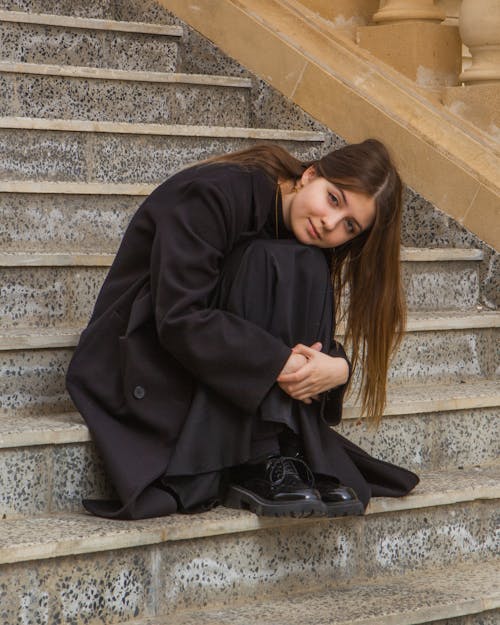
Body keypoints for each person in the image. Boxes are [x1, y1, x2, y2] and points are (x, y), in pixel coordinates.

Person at [66, 139, 419, 521]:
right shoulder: (214, 193)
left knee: (304, 261)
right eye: (334, 199)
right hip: (141, 355)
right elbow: (179, 317)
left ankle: (283, 450)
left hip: (207, 366)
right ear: (310, 175)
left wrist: (337, 368)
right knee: (272, 260)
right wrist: (276, 362)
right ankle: (259, 456)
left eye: (349, 226)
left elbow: (286, 326)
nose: (330, 224)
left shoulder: (301, 233)